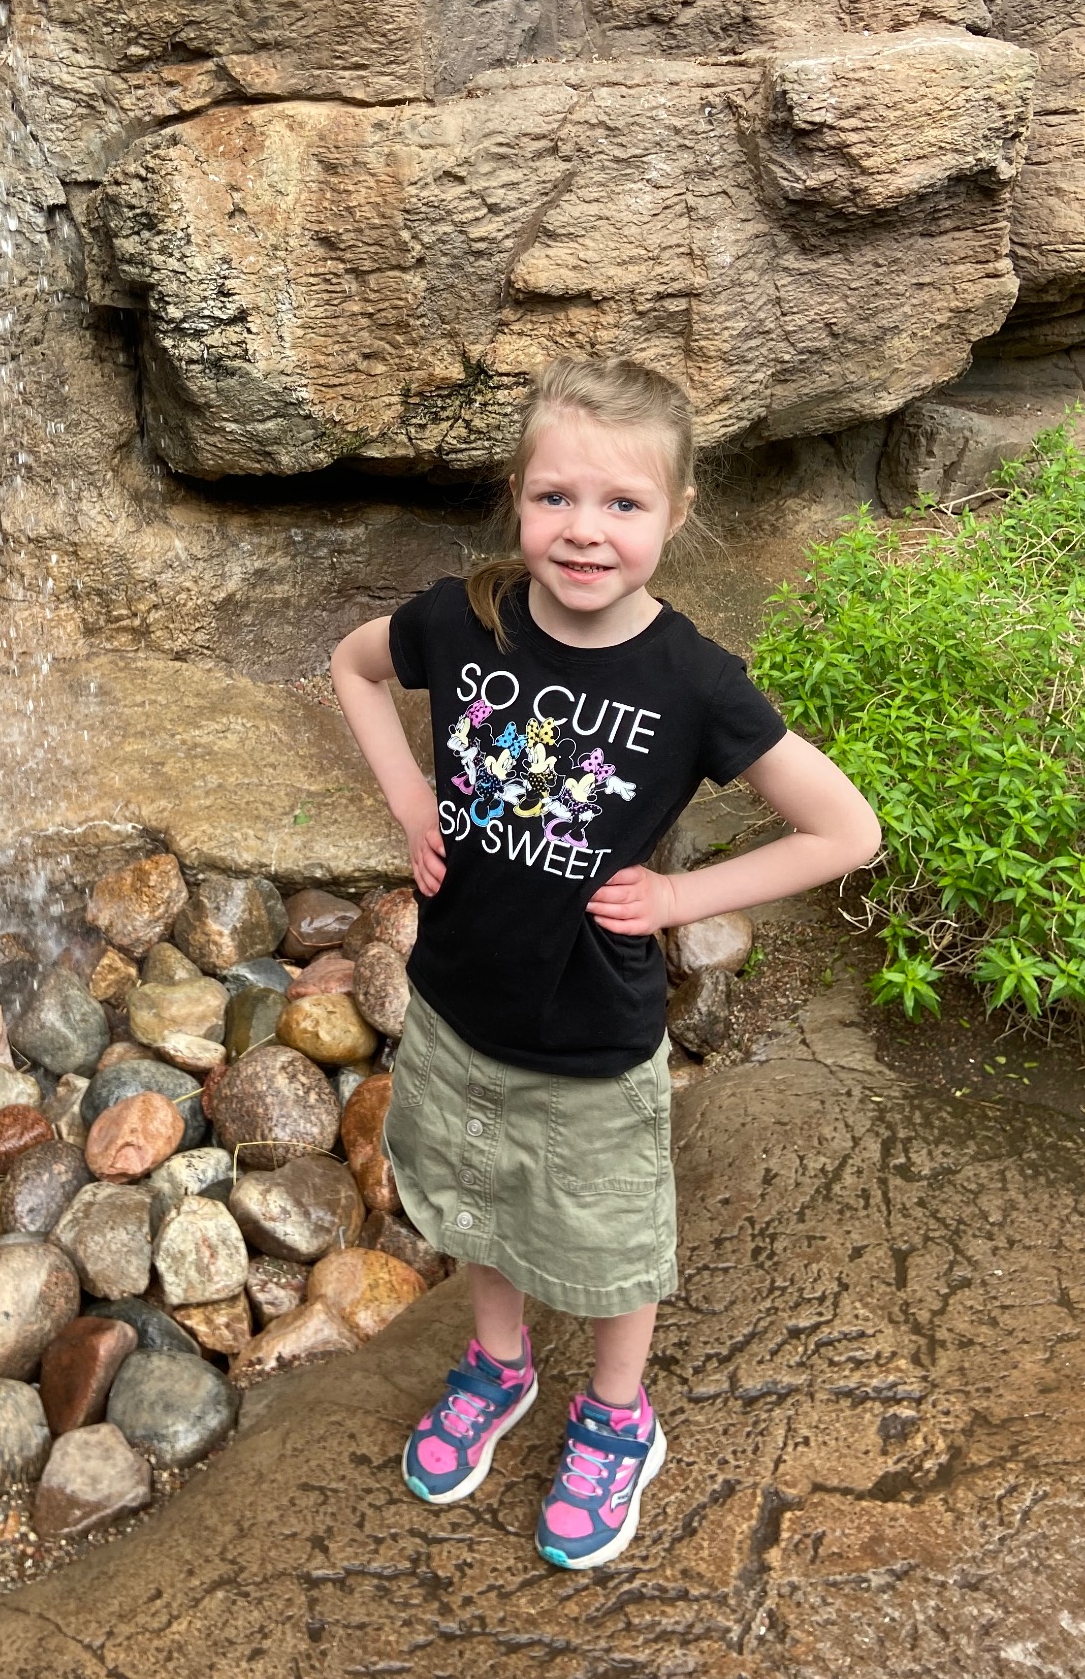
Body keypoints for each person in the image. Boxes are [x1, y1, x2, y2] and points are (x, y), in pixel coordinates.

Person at [329, 357, 880, 1571]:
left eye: (622, 503)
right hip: (456, 1001)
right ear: (519, 499)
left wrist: (679, 895)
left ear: (676, 514)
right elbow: (354, 667)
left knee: (606, 1240)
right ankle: (499, 1363)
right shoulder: (464, 621)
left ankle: (619, 1414)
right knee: (476, 1198)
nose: (584, 529)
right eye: (556, 497)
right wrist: (412, 799)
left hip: (591, 1031)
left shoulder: (693, 681)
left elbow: (845, 828)